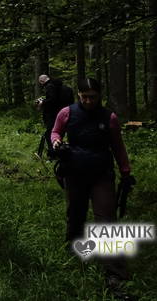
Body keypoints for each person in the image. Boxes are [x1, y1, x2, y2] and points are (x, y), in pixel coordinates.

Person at [51, 77, 131, 290]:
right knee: (75, 213)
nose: (88, 101)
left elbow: (118, 146)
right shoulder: (66, 113)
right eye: (84, 97)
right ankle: (75, 250)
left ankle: (114, 272)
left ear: (99, 96)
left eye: (92, 97)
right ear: (78, 94)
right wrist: (56, 142)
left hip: (101, 174)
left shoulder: (109, 117)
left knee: (106, 220)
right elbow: (56, 131)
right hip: (74, 172)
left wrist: (125, 171)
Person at [37, 74, 75, 157]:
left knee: (50, 134)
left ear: (42, 81)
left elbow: (52, 100)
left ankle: (53, 154)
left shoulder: (50, 86)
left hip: (54, 116)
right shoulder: (66, 88)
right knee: (63, 134)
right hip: (68, 114)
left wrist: (42, 102)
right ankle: (67, 152)